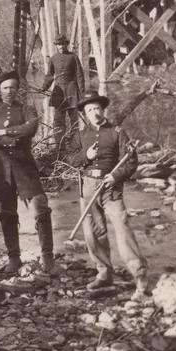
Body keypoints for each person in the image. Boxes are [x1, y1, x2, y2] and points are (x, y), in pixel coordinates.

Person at [67, 91, 149, 299]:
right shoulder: (79, 136)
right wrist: (86, 155)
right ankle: (104, 274)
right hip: (88, 187)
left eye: (97, 109)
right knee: (93, 233)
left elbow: (130, 161)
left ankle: (140, 278)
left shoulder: (117, 132)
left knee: (122, 230)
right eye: (89, 110)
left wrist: (116, 176)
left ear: (103, 110)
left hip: (111, 188)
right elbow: (71, 159)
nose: (94, 113)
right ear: (84, 114)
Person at [0, 72, 56, 275]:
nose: (9, 91)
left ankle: (48, 256)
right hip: (2, 169)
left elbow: (32, 128)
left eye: (13, 87)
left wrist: (6, 132)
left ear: (18, 90)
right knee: (7, 215)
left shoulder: (27, 109)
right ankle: (14, 258)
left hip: (25, 167)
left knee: (41, 208)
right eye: (5, 88)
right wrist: (13, 139)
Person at [42, 35, 86, 149]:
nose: (61, 47)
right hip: (58, 93)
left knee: (74, 121)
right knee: (58, 121)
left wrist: (82, 94)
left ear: (66, 44)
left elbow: (80, 76)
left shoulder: (73, 57)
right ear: (56, 46)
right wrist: (44, 87)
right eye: (58, 45)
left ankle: (75, 146)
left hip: (72, 90)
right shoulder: (52, 59)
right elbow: (49, 76)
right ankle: (60, 147)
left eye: (62, 44)